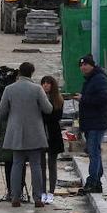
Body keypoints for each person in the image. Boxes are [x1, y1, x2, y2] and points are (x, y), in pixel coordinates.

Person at [0, 61, 52, 208]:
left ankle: (15, 196)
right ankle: (38, 198)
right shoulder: (37, 89)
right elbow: (48, 109)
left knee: (17, 164)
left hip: (15, 133)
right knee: (36, 165)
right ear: (32, 73)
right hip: (35, 132)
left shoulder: (9, 89)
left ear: (19, 73)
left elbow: (1, 111)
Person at [77, 53, 107, 194]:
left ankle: (92, 182)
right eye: (81, 65)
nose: (83, 67)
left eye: (85, 64)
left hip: (97, 122)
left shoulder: (99, 79)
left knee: (93, 152)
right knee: (94, 151)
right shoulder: (90, 79)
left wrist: (83, 98)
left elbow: (103, 99)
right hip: (91, 122)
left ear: (92, 65)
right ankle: (96, 182)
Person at [40, 75, 66, 204]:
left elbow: (56, 117)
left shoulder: (58, 100)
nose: (46, 85)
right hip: (40, 133)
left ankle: (51, 191)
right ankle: (42, 191)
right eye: (43, 83)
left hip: (53, 134)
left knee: (52, 164)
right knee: (41, 165)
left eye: (48, 83)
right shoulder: (38, 98)